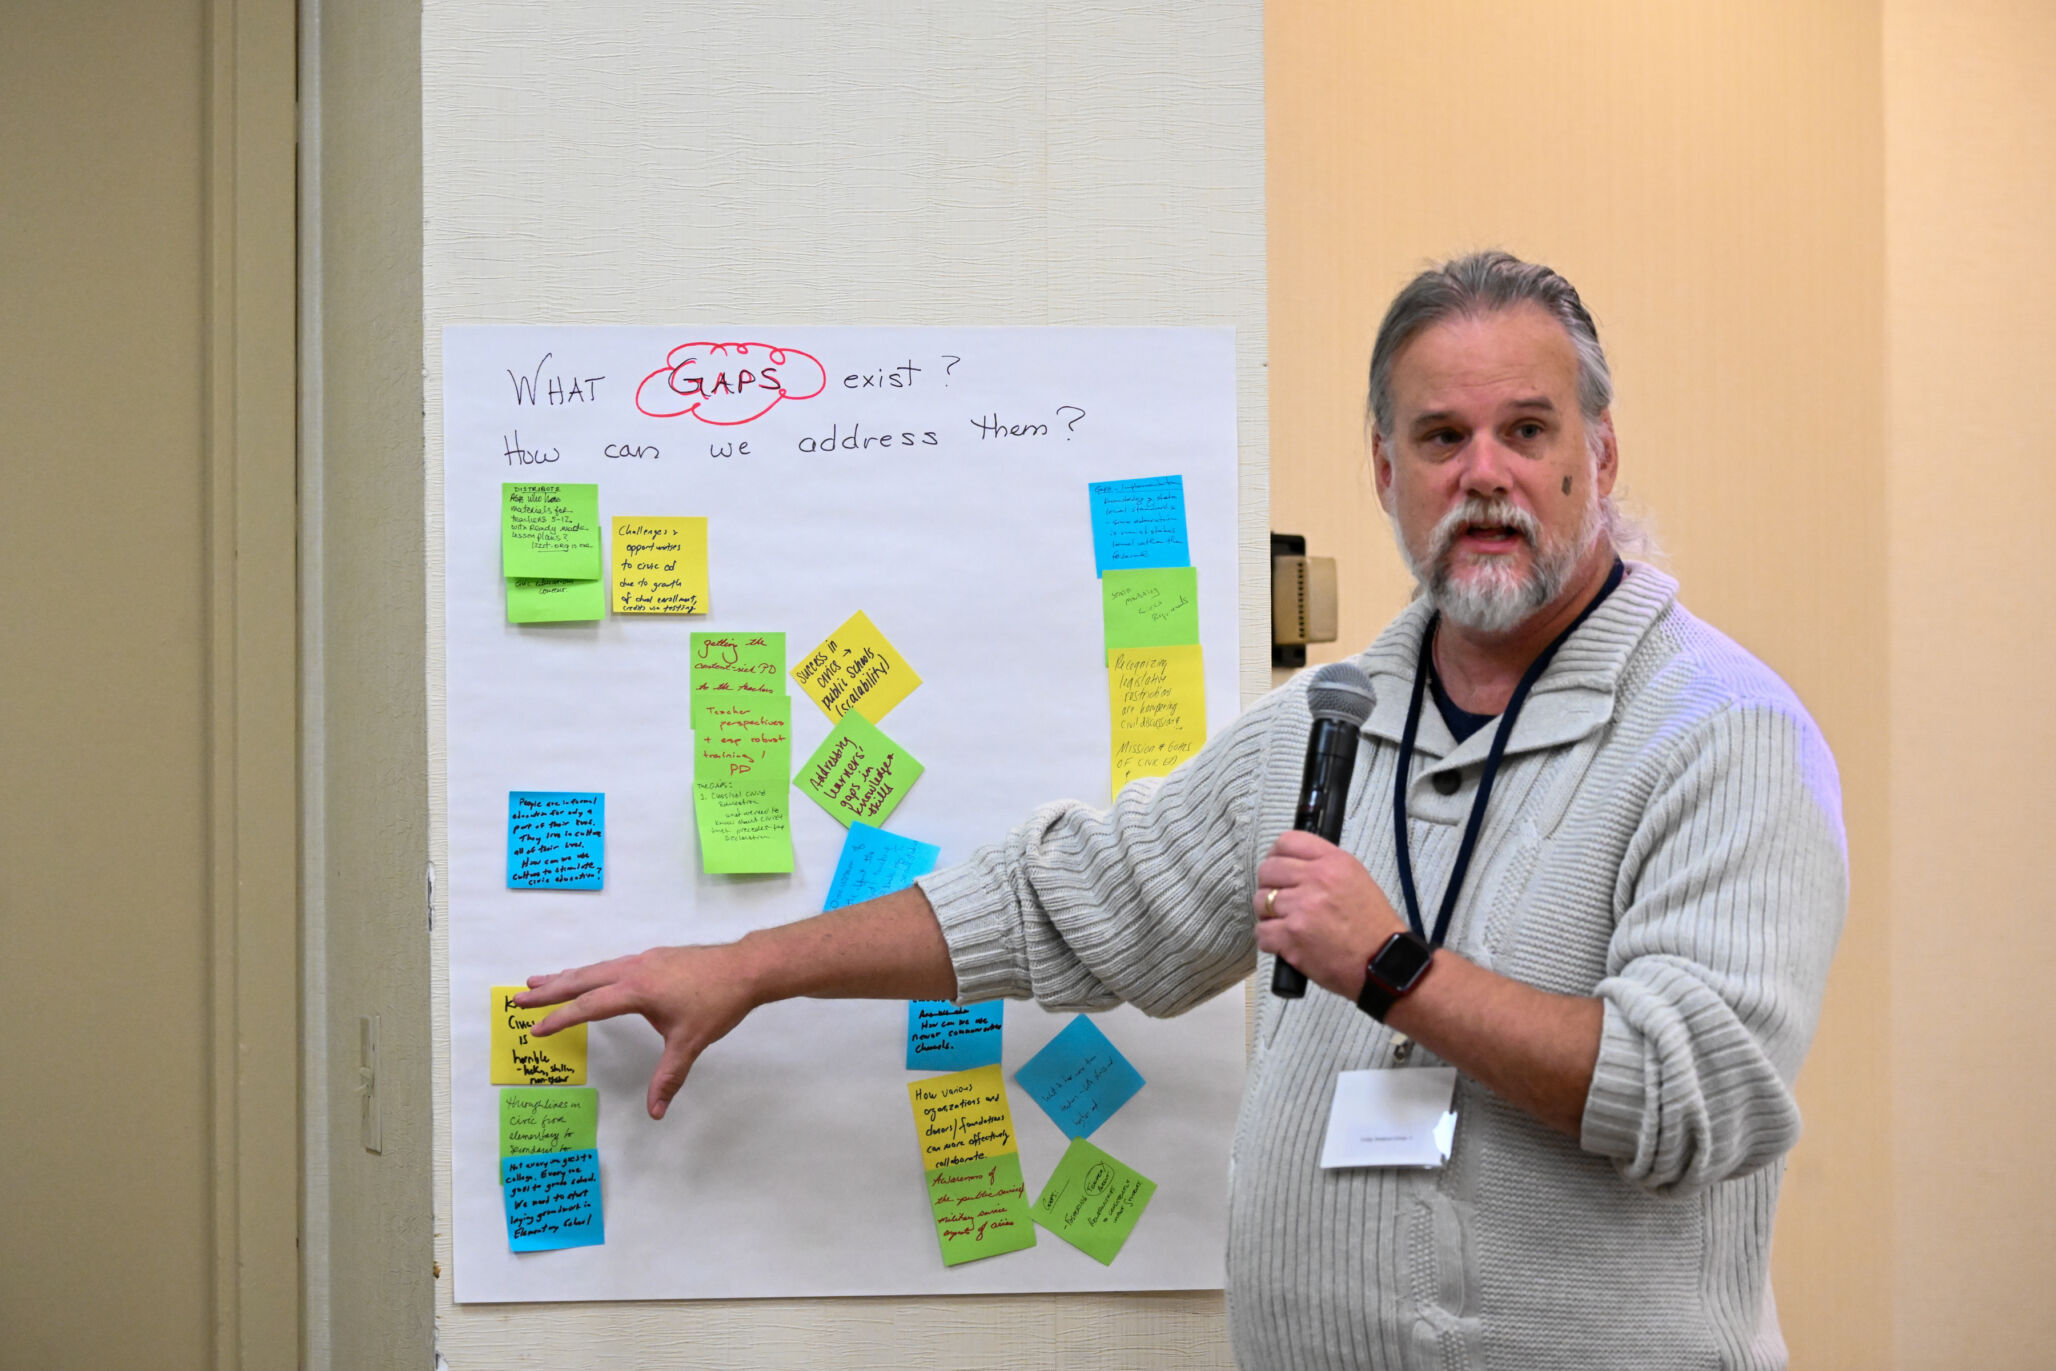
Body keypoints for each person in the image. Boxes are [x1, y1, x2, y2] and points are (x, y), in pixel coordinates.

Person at [518, 251, 1846, 1369]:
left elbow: (1693, 1100)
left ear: (1599, 456)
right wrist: (749, 968)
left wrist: (1391, 968)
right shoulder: (1331, 722)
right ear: (1386, 474)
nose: (1484, 473)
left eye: (1529, 430)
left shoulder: (1724, 736)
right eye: (1442, 438)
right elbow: (1075, 904)